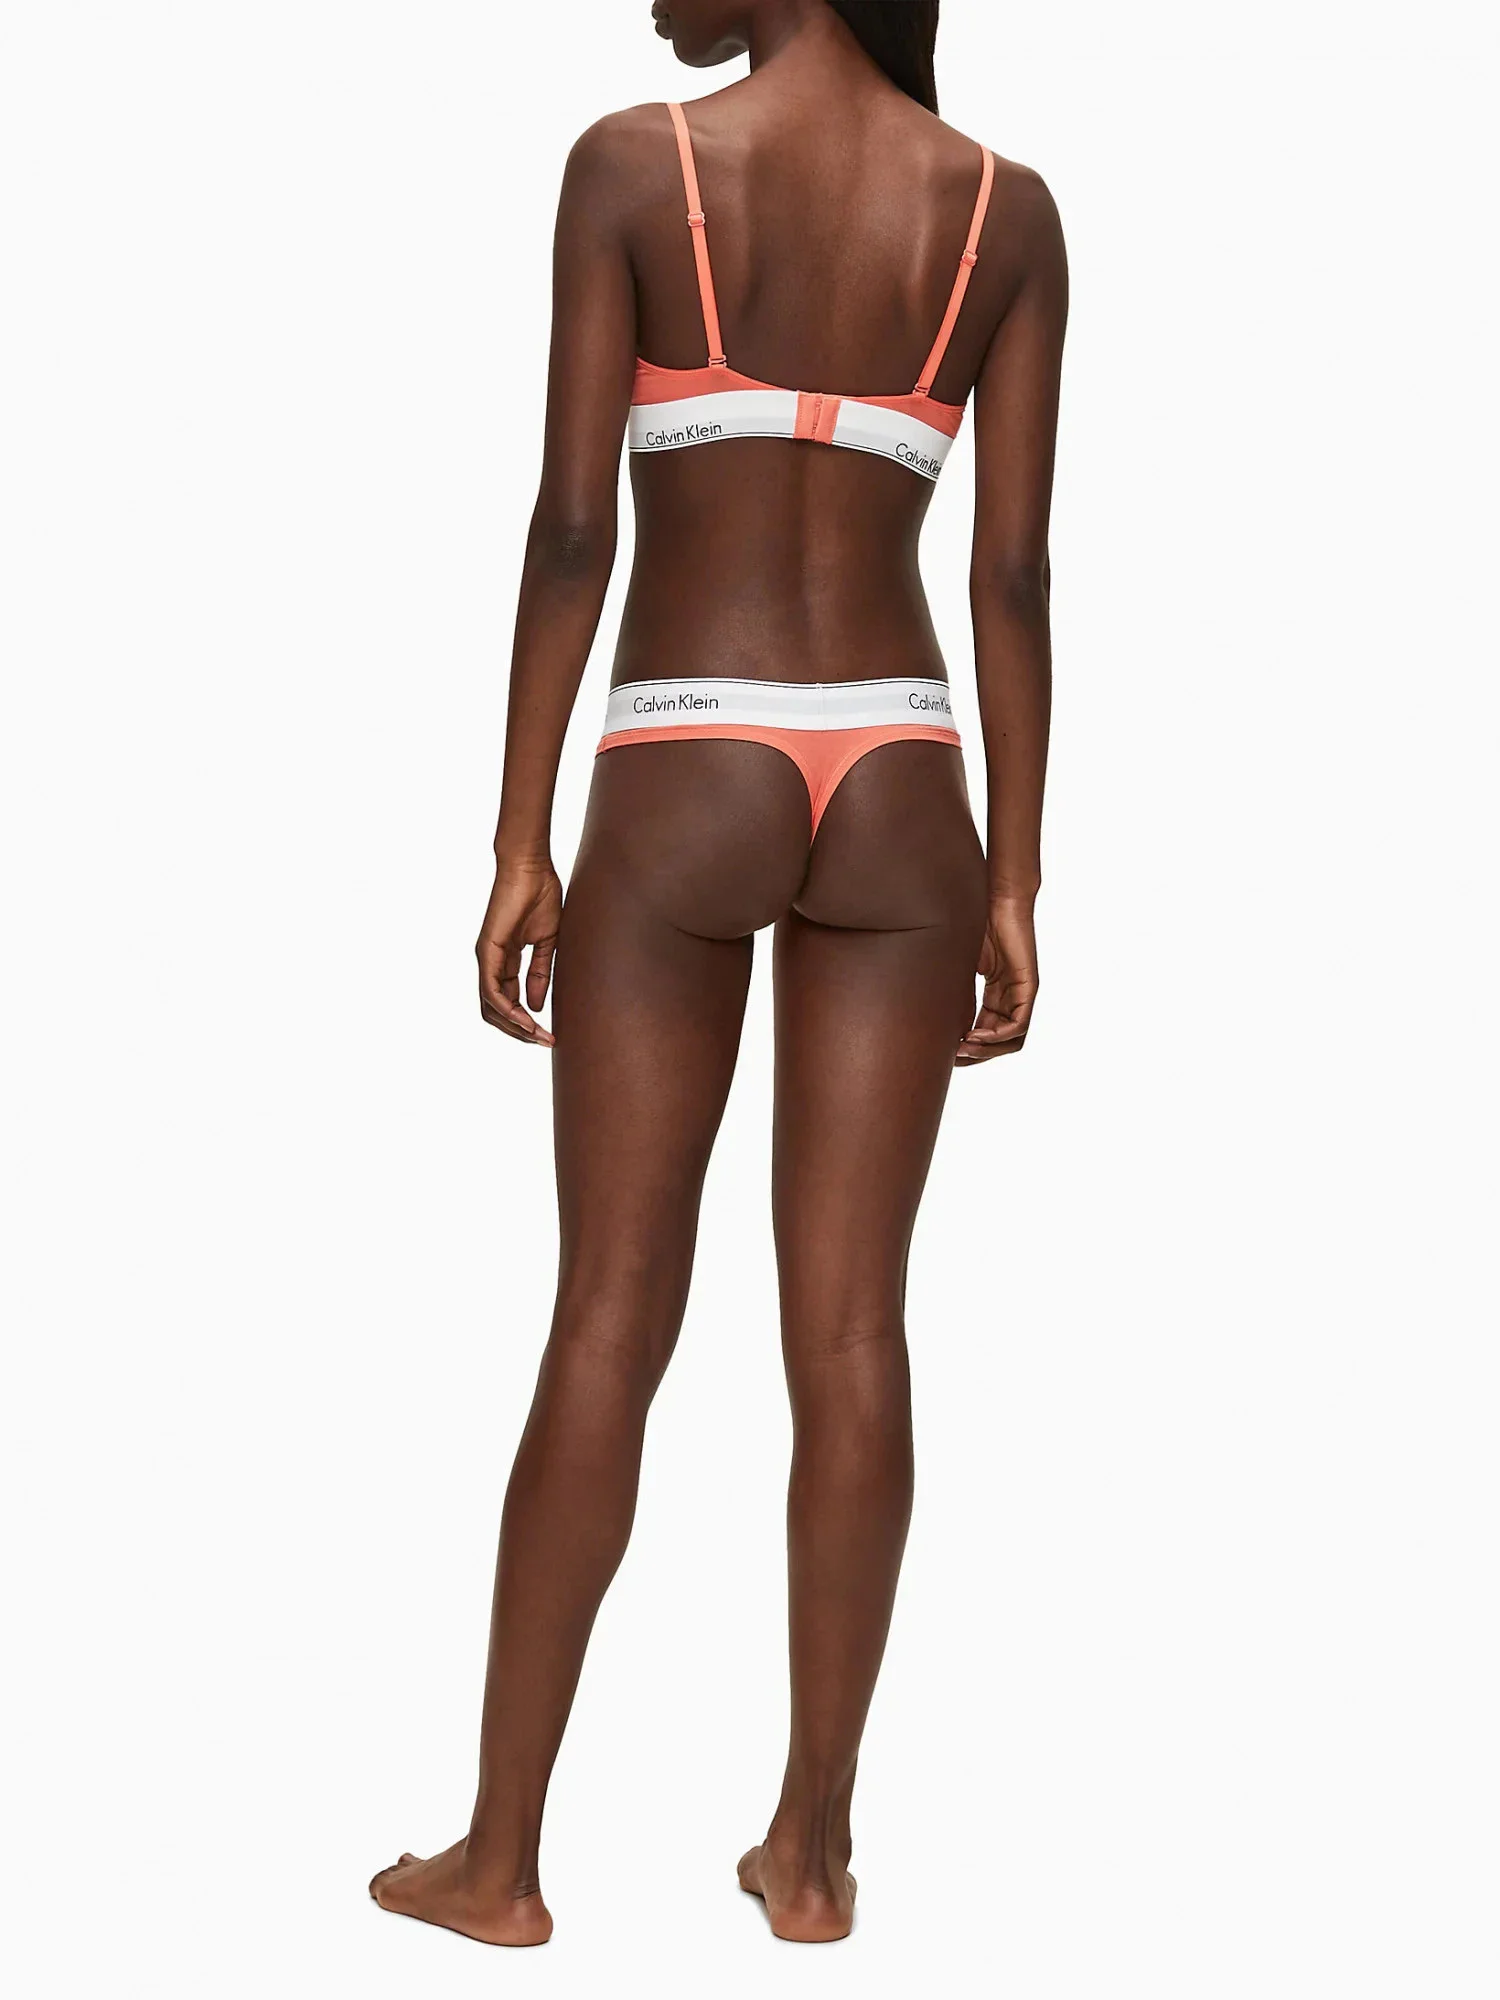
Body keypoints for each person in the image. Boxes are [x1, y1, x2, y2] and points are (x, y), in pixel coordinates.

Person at [371, 0, 1065, 1946]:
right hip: (907, 772)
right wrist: (1019, 875)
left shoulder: (637, 168)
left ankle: (500, 1860)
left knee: (609, 1312)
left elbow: (570, 527)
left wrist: (521, 834)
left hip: (690, 747)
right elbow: (1013, 574)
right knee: (852, 1333)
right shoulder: (1004, 210)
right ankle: (814, 1854)